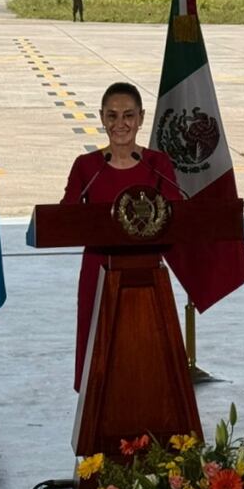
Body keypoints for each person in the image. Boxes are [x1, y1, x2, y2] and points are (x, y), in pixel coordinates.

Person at [61, 82, 182, 391]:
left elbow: (179, 218)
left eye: (128, 115)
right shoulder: (87, 166)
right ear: (102, 118)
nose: (120, 124)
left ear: (141, 118)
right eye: (112, 116)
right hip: (99, 272)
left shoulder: (159, 165)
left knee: (146, 359)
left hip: (146, 275)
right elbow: (65, 219)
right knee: (99, 357)